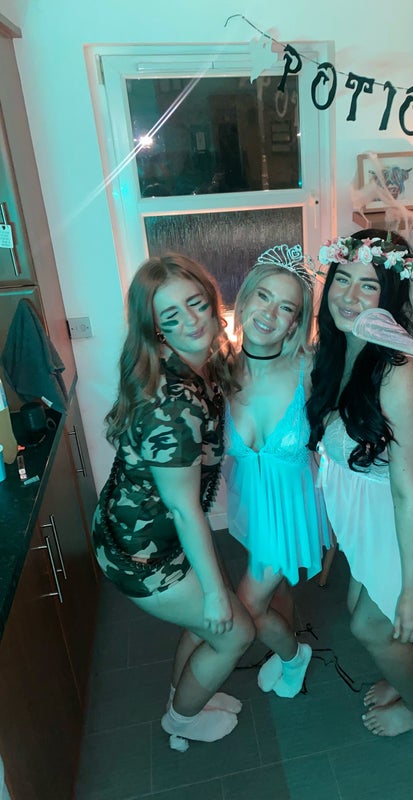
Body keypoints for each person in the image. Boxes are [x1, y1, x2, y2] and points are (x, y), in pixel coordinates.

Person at [307, 229, 413, 736]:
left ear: (392, 296)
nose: (348, 296)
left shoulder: (400, 372)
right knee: (363, 611)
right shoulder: (339, 345)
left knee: (371, 624)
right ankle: (401, 671)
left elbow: (408, 493)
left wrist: (412, 591)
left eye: (369, 285)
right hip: (372, 508)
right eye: (342, 279)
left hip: (409, 509)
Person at [91, 253, 255, 747]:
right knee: (234, 632)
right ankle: (180, 721)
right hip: (142, 553)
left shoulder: (198, 363)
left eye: (196, 303)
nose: (191, 321)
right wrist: (213, 592)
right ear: (156, 329)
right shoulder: (173, 405)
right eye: (171, 315)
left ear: (211, 299)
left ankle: (184, 697)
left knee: (211, 624)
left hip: (145, 529)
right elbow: (185, 509)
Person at [223, 244, 330, 698]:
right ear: (244, 299)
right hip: (251, 504)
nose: (270, 313)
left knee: (245, 610)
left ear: (295, 323)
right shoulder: (219, 370)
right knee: (272, 592)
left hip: (291, 510)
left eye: (286, 307)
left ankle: (293, 656)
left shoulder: (310, 368)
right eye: (263, 297)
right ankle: (287, 640)